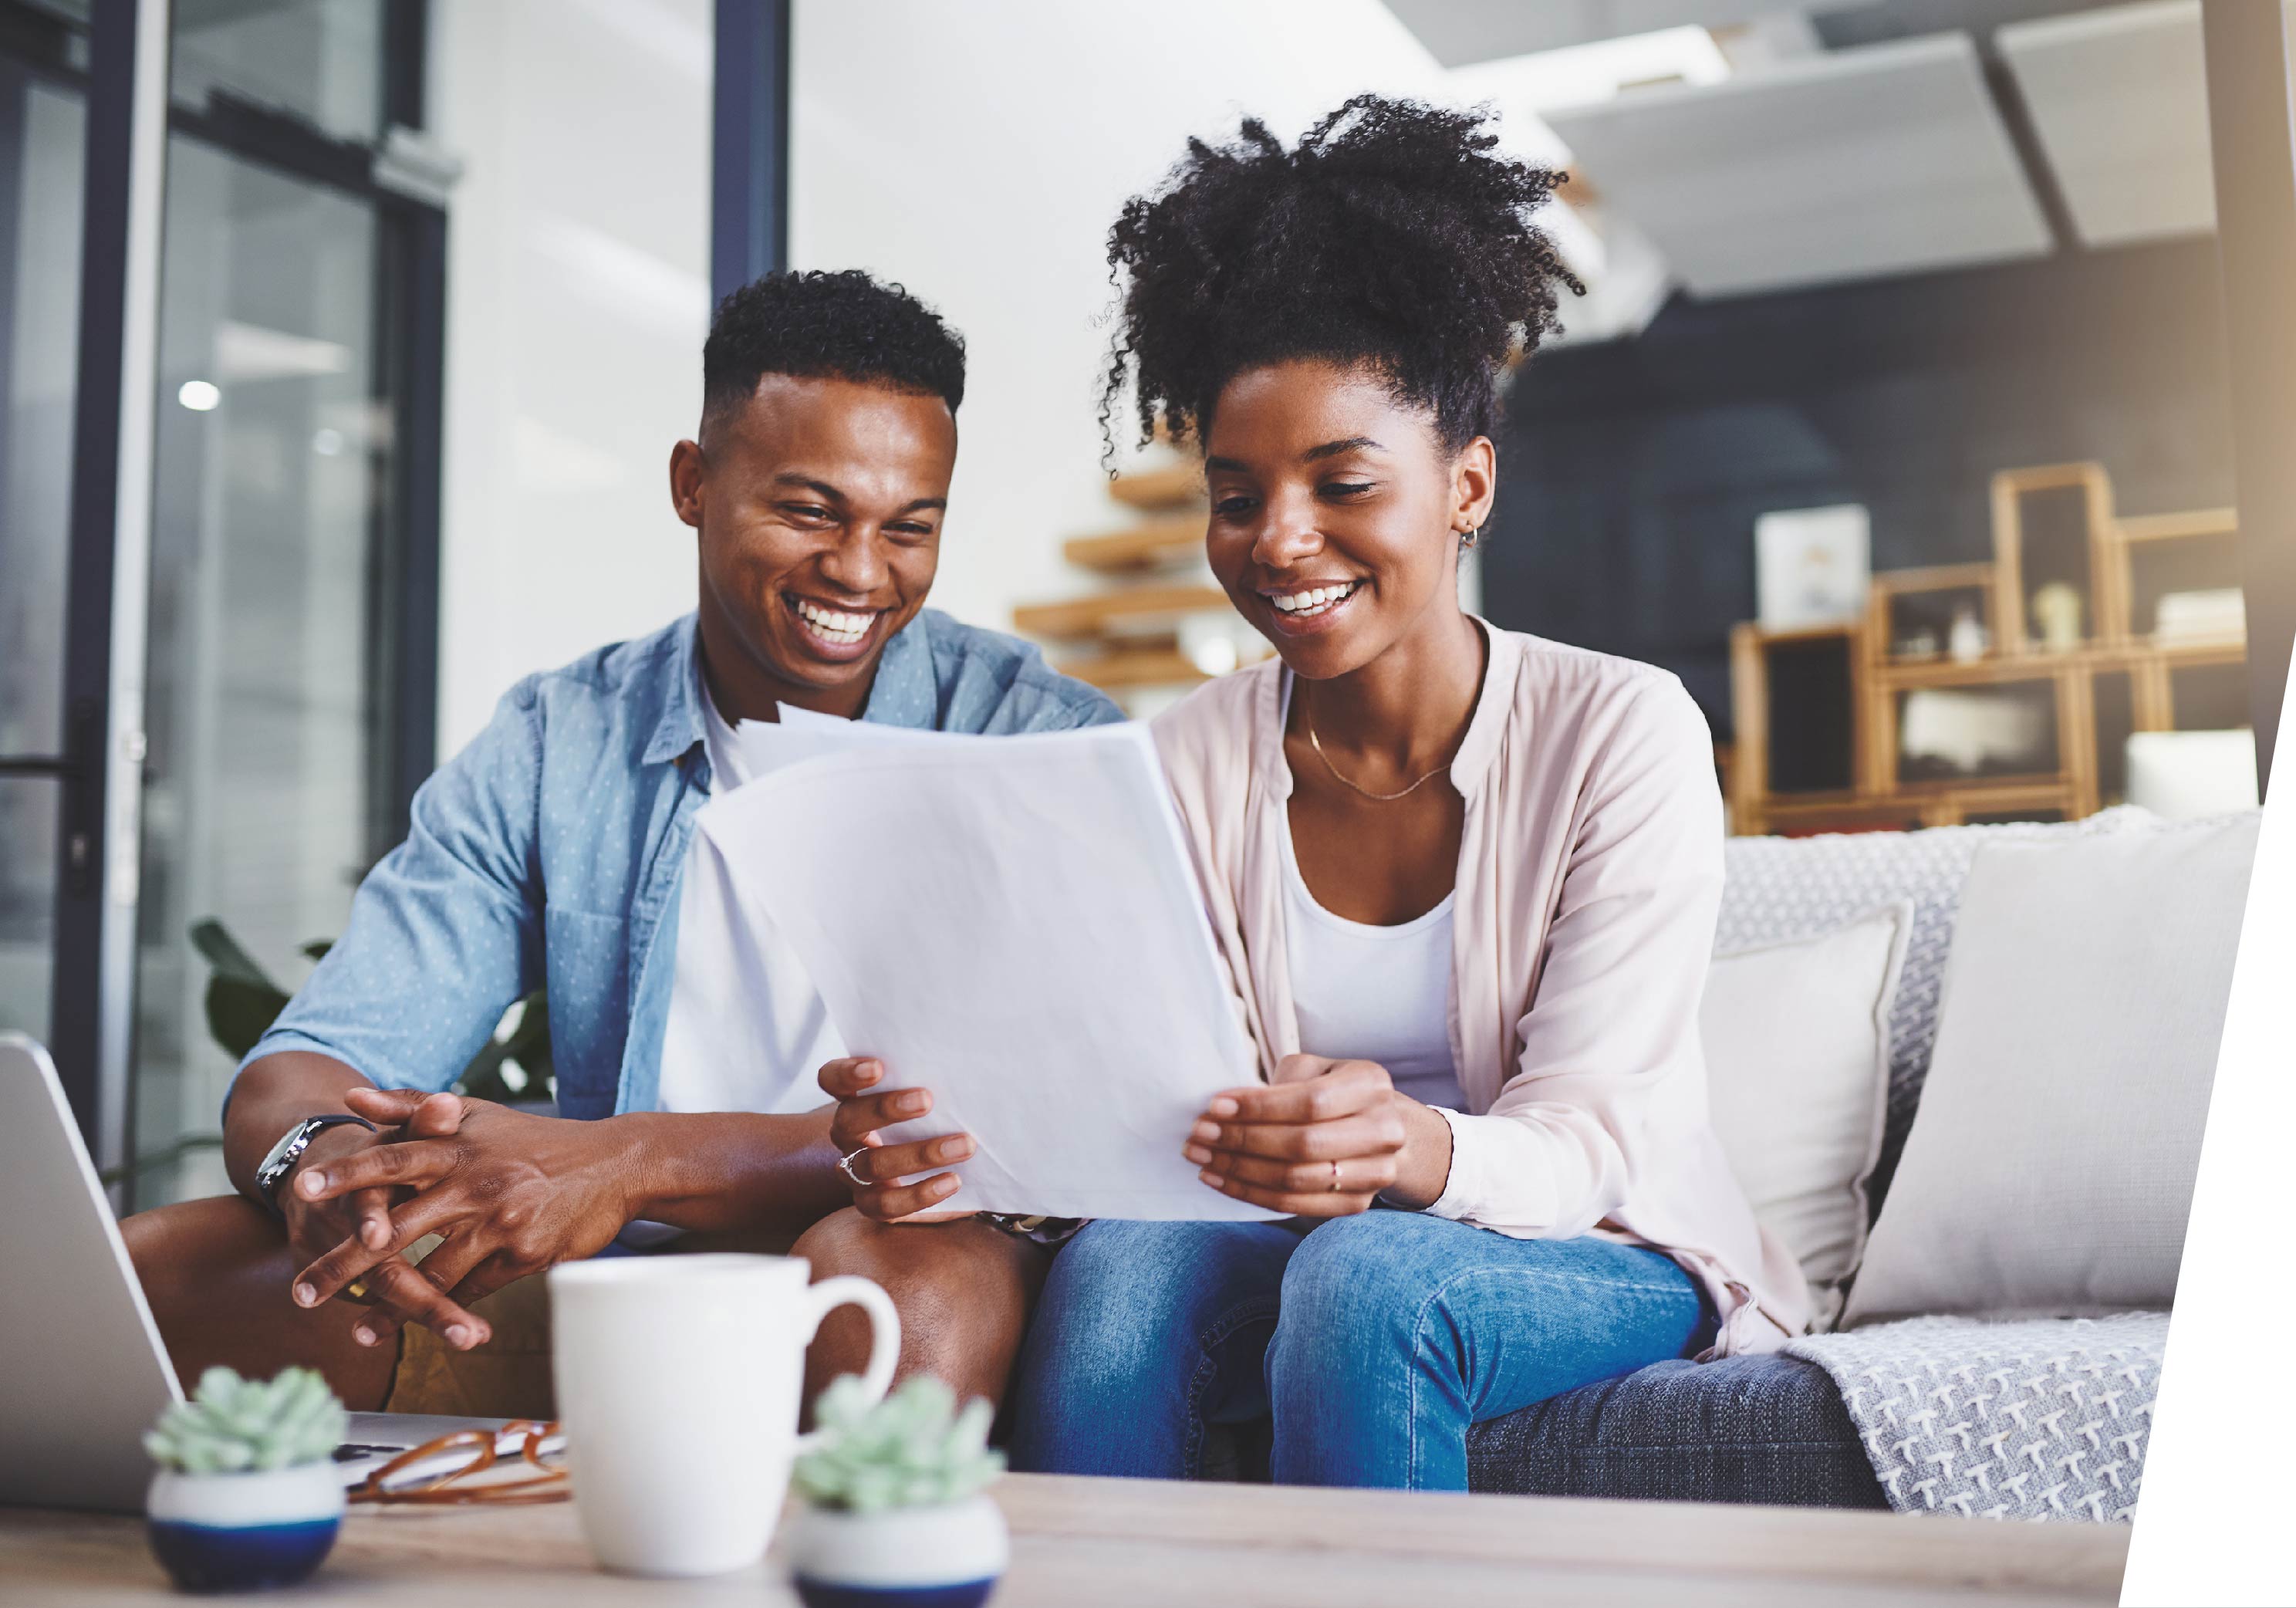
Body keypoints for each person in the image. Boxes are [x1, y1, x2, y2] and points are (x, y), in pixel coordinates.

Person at [123, 269, 1118, 1418]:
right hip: (620, 1271)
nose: (858, 571)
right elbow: (306, 1063)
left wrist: (633, 1157)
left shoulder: (1039, 743)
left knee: (890, 1277)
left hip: (899, 1258)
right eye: (809, 511)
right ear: (694, 484)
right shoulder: (562, 738)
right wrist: (332, 1168)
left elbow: (1008, 1130)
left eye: (908, 528)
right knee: (172, 1276)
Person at [1010, 96, 1811, 1490]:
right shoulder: (1183, 760)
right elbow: (1157, 1098)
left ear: (1466, 485)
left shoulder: (1620, 731)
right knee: (1116, 1279)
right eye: (1236, 493)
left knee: (1371, 1282)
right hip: (1287, 1227)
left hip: (1606, 1235)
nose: (1280, 541)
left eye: (1342, 482)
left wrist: (1412, 1148)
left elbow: (1590, 1138)